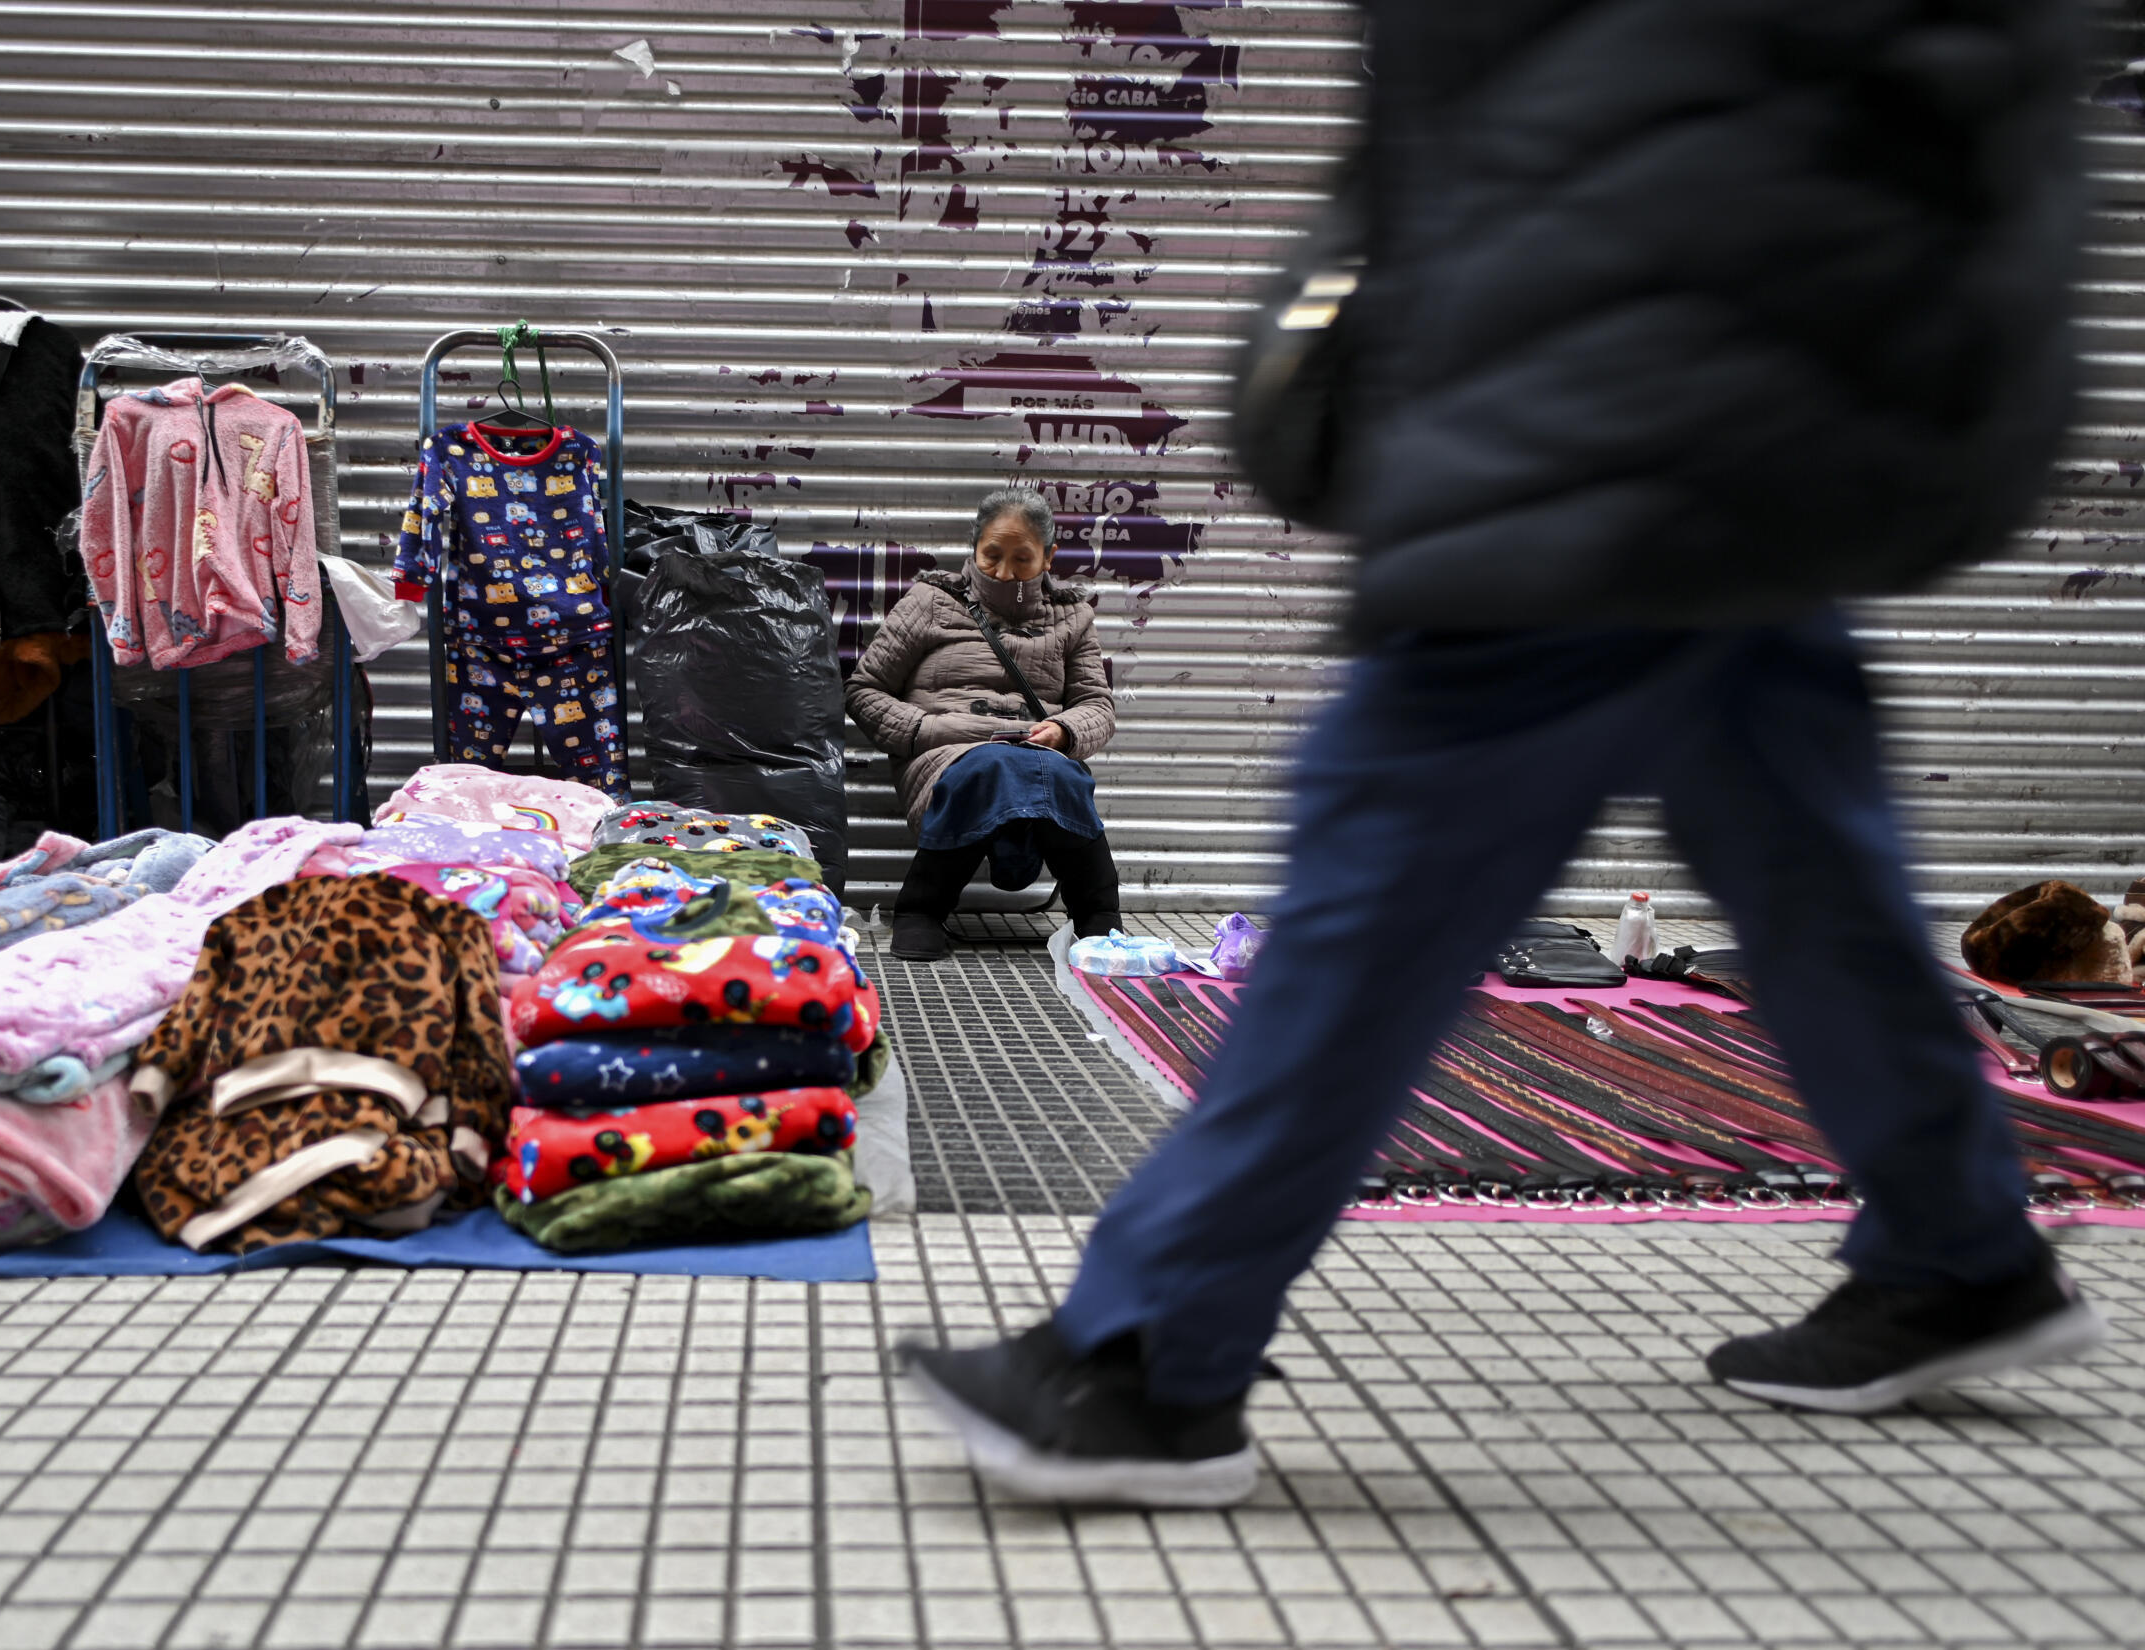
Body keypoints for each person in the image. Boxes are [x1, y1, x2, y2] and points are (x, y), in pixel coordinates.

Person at [900, 0, 2103, 1507]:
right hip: (1726, 402)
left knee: (1379, 891)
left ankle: (1143, 1354)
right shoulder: (928, 606)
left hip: (1603, 389)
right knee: (1809, 869)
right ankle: (1962, 1250)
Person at [845, 487, 1119, 961]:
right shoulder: (930, 602)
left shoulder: (1072, 616)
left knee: (1061, 773)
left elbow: (1097, 705)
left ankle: (1099, 922)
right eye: (992, 556)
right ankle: (920, 910)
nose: (1004, 572)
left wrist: (1064, 732)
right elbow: (864, 689)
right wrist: (923, 731)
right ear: (973, 547)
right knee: (989, 768)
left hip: (1036, 755)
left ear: (1050, 556)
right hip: (944, 756)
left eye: (1022, 559)